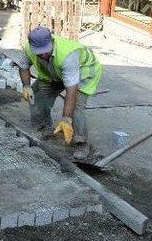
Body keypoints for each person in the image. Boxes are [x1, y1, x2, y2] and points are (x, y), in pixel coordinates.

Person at [18, 27, 102, 160]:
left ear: (52, 42)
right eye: (39, 53)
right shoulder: (29, 48)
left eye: (45, 51)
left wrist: (66, 119)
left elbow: (72, 89)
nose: (43, 55)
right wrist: (26, 86)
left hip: (83, 72)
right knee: (37, 95)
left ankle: (81, 143)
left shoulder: (67, 55)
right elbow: (23, 67)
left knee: (75, 107)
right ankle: (44, 127)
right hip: (55, 72)